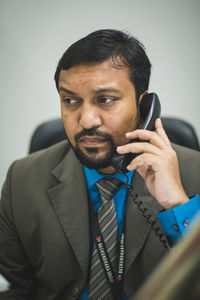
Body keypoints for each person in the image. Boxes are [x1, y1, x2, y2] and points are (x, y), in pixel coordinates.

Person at [0, 29, 200, 300]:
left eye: (105, 100)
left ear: (145, 107)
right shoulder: (22, 180)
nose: (86, 120)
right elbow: (18, 290)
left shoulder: (195, 174)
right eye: (70, 101)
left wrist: (177, 204)